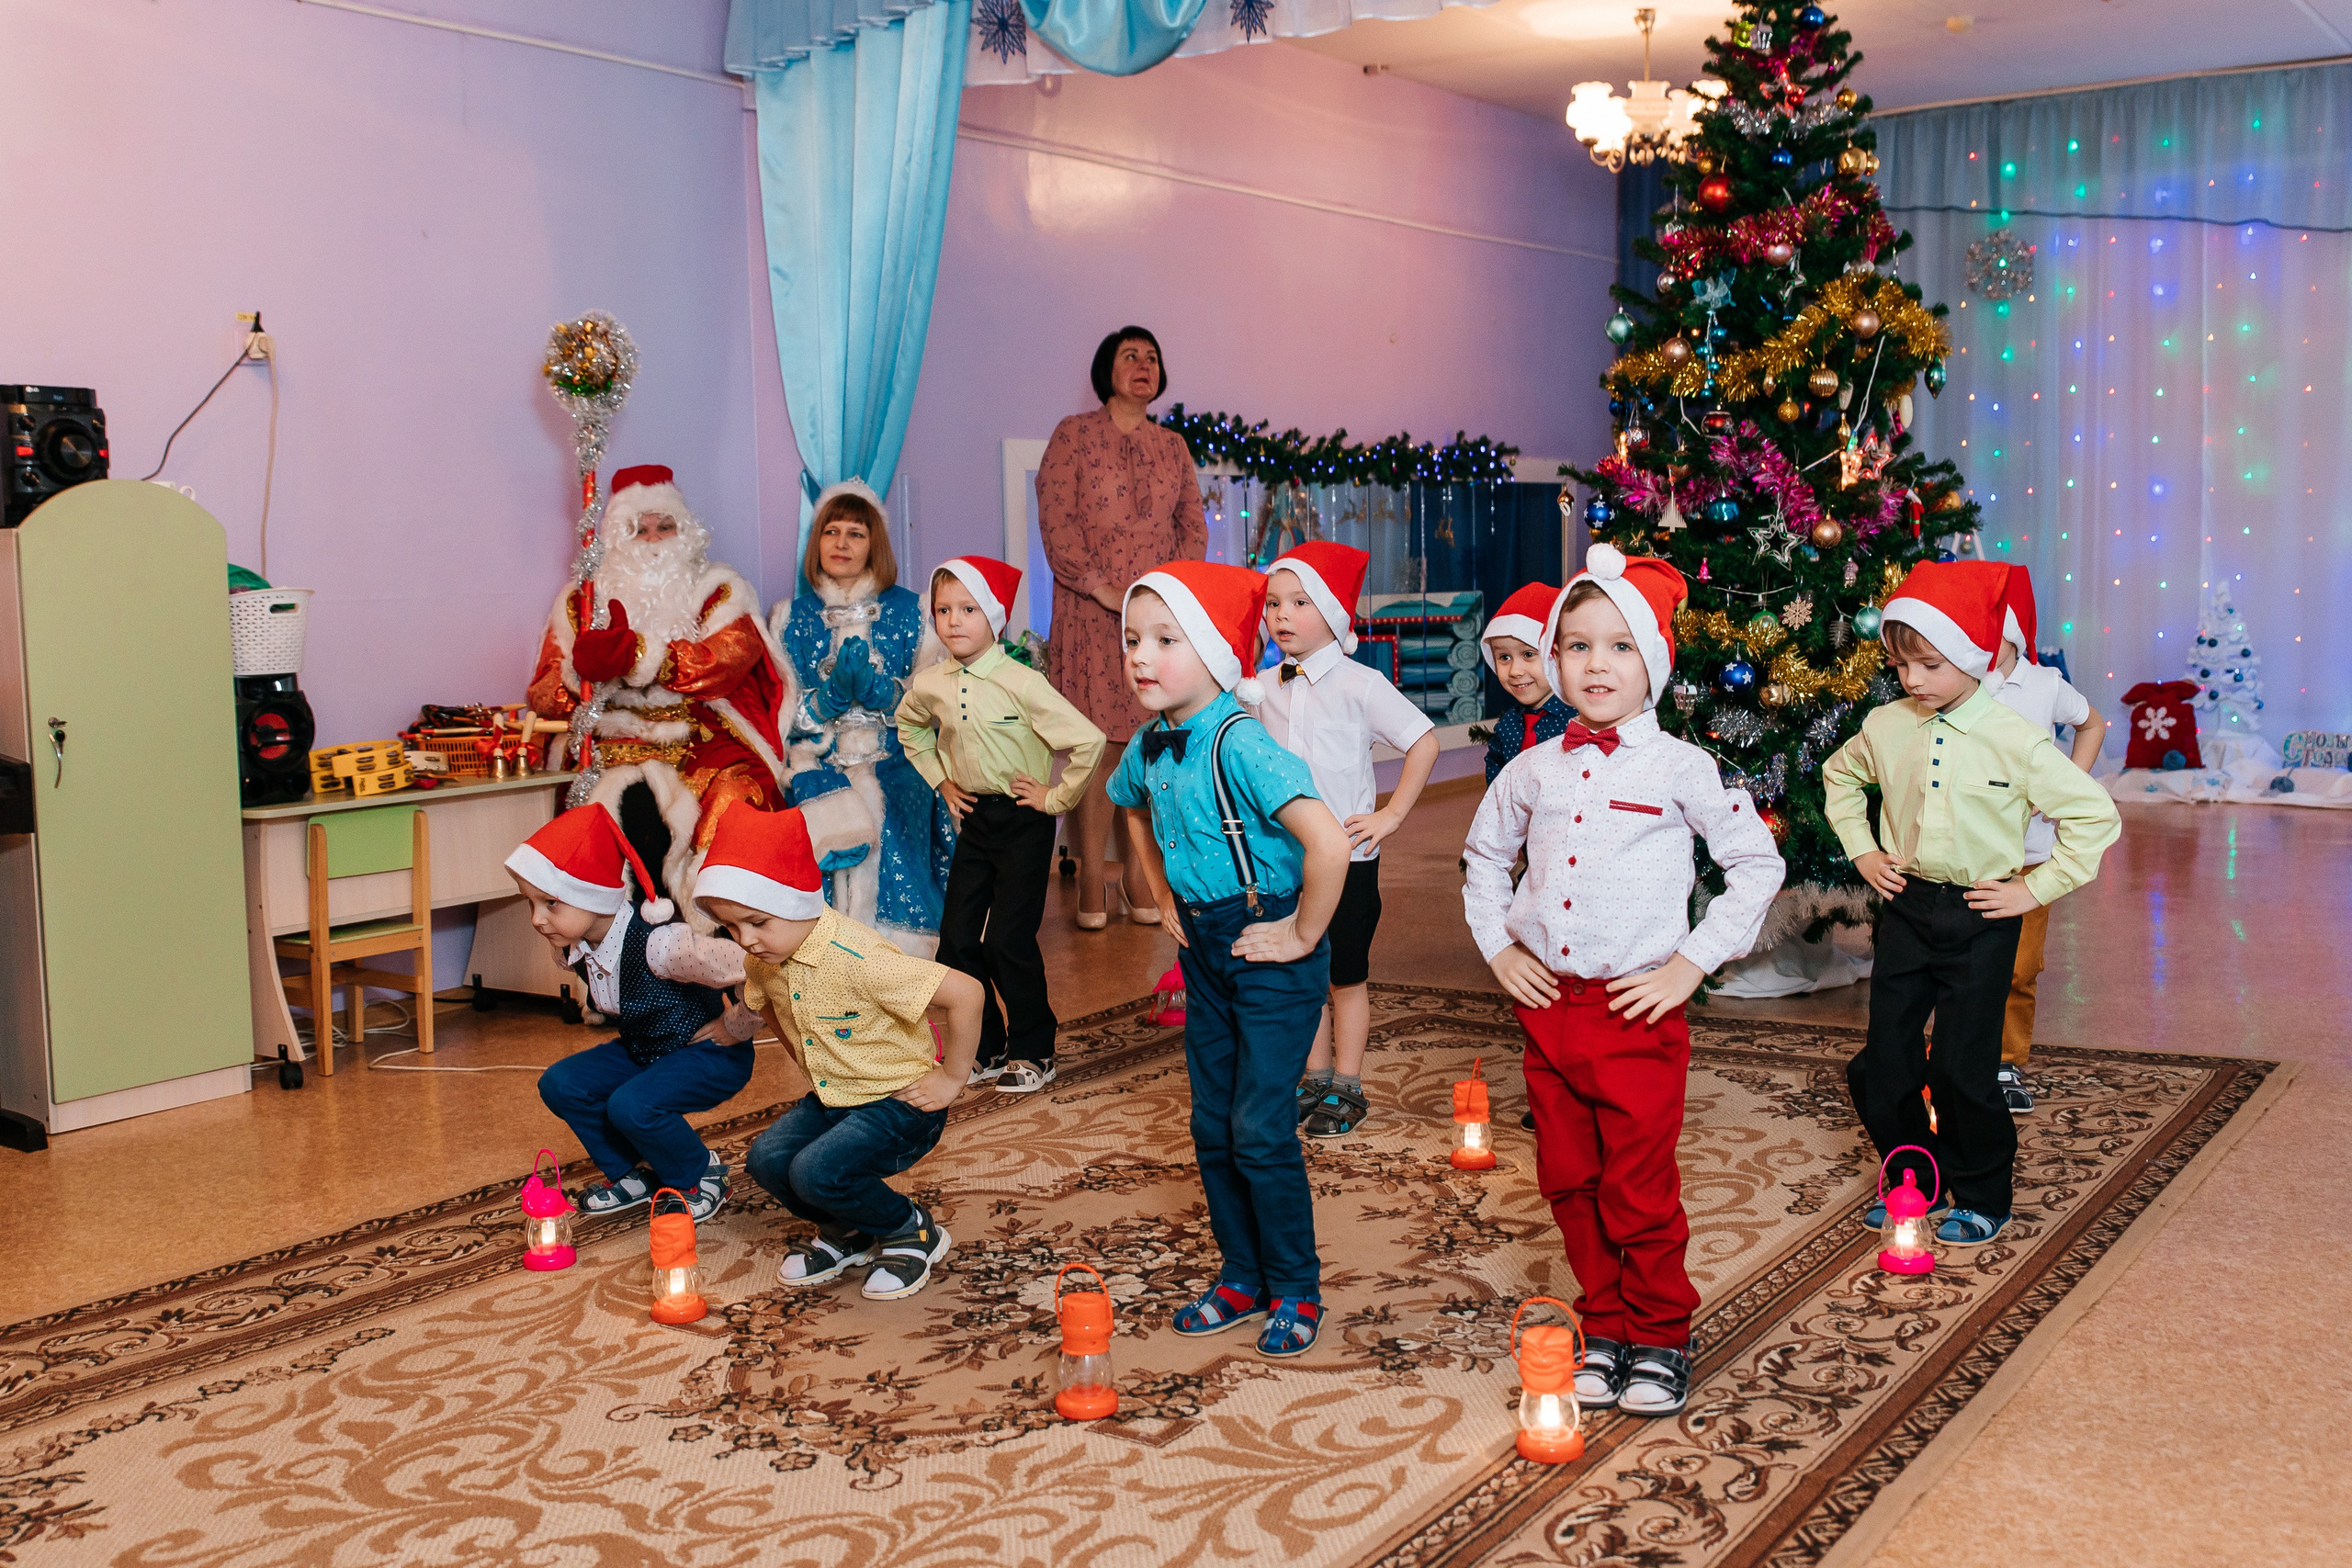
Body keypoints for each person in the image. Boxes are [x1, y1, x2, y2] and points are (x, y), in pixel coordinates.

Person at [1462, 546, 1784, 1418]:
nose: (1594, 664)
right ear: (1553, 658)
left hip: (1638, 1012)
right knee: (1568, 1177)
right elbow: (1484, 858)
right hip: (1548, 1011)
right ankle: (1604, 1322)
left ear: (1655, 661)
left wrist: (1689, 964)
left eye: (1619, 646)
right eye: (1576, 645)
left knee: (1636, 1185)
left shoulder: (1682, 767)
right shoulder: (1532, 767)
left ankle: (1661, 1333)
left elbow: (1755, 862)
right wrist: (1498, 948)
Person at [1824, 561, 2121, 1253]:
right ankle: (1912, 1177)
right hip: (1906, 908)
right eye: (1901, 665)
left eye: (1929, 664)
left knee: (1962, 1068)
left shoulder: (2013, 734)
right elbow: (1841, 777)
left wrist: (2033, 887)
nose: (1913, 681)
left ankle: (1984, 1192)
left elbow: (2094, 815)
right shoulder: (1886, 724)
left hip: (1985, 916)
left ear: (1973, 656)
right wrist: (1864, 849)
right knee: (1883, 1065)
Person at [1111, 560, 1351, 1358]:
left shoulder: (1240, 741)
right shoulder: (1149, 742)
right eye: (1133, 639)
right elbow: (1131, 807)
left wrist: (1304, 936)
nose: (1142, 655)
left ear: (1214, 652)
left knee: (1258, 1124)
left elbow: (1326, 844)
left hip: (1270, 945)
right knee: (1212, 1120)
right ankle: (1241, 1275)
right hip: (1207, 948)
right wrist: (1163, 895)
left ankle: (1297, 1284)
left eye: (1165, 639)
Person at [695, 804, 986, 1302]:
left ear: (798, 901)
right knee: (767, 1159)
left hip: (901, 1101)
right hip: (837, 1096)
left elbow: (966, 993)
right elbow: (769, 1009)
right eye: (732, 927)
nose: (746, 940)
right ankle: (849, 1227)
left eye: (758, 921)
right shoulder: (766, 959)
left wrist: (951, 1077)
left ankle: (909, 1228)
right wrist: (812, 1064)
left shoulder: (858, 958)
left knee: (816, 1172)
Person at [527, 464, 804, 916]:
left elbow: (728, 660)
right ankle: (618, 945)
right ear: (617, 537)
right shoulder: (580, 601)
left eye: (665, 526)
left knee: (738, 798)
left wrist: (638, 654)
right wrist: (583, 674)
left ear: (686, 530)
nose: (654, 539)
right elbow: (544, 692)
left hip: (700, 732)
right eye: (638, 529)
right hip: (610, 739)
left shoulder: (720, 586)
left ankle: (724, 935)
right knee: (595, 812)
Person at [1250, 542, 1439, 1139]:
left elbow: (1423, 741)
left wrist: (1391, 814)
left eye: (1299, 601)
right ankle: (1313, 1075)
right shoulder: (1259, 687)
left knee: (1345, 974)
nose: (1282, 613)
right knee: (1299, 966)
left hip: (1351, 859)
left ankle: (1348, 1082)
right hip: (1284, 858)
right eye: (1274, 601)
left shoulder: (1361, 684)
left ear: (1331, 612)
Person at [898, 556, 1105, 1094]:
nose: (954, 621)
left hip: (1024, 820)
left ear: (993, 615)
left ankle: (1034, 1049)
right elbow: (910, 728)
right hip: (975, 820)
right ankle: (984, 1047)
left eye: (968, 609)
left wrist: (1056, 797)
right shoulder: (931, 683)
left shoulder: (1021, 681)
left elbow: (1089, 741)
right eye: (943, 610)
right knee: (957, 940)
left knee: (1008, 941)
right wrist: (942, 782)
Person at [511, 804, 759, 1224]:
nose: (537, 920)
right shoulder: (569, 949)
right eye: (530, 904)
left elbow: (756, 966)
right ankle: (631, 1175)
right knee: (562, 1083)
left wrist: (737, 1025)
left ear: (591, 894)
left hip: (710, 1054)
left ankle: (702, 1176)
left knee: (631, 1105)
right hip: (646, 1050)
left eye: (551, 903)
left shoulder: (663, 945)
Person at [1036, 326, 1207, 929]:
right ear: (1106, 367)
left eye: (1153, 357)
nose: (1143, 365)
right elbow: (1057, 523)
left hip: (1155, 619)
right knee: (1100, 750)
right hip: (1091, 612)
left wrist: (1173, 593)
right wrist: (1103, 587)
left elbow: (1193, 526)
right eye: (1130, 355)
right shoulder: (1073, 436)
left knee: (1154, 745)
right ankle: (1090, 885)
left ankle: (1141, 880)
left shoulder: (1174, 446)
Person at [770, 480, 956, 954]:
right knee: (817, 799)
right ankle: (821, 949)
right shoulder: (790, 618)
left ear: (875, 544)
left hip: (896, 755)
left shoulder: (912, 611)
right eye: (831, 531)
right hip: (819, 759)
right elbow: (780, 715)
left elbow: (932, 702)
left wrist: (883, 694)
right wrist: (825, 703)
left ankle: (897, 950)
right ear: (817, 542)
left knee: (894, 802)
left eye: (856, 533)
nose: (842, 544)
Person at [1984, 567, 2109, 1112]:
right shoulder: (1958, 686)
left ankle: (2007, 1063)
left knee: (2020, 965)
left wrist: (2067, 787)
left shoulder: (2044, 685)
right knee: (1963, 964)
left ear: (2008, 632)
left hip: (2031, 857)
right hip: (1967, 855)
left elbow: (2093, 724)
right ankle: (1958, 1056)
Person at [1479, 581, 1577, 784]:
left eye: (1529, 654)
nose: (1515, 671)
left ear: (1555, 655)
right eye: (1504, 658)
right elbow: (1497, 777)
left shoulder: (1579, 721)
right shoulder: (1507, 726)